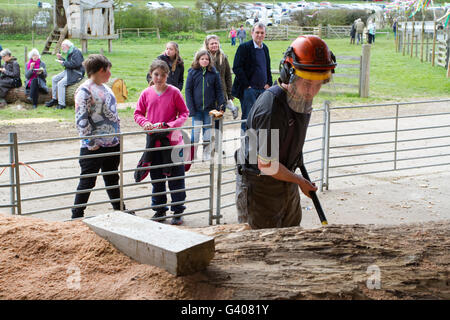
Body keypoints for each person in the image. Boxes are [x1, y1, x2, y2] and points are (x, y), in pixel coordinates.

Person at [235, 35, 336, 230]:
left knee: (292, 237)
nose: (311, 91)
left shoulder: (301, 99)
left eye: (318, 84)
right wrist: (299, 180)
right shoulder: (270, 108)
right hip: (260, 184)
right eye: (307, 83)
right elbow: (265, 164)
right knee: (261, 246)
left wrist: (296, 178)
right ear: (288, 72)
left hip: (285, 176)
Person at [72, 54, 134, 219]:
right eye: (108, 71)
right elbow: (81, 118)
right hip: (93, 146)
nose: (110, 74)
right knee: (87, 181)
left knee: (112, 177)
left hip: (112, 143)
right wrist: (90, 142)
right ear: (101, 70)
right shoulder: (84, 91)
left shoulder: (105, 88)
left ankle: (120, 208)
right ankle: (77, 215)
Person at [134, 59, 189, 225]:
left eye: (163, 75)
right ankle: (159, 210)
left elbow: (184, 113)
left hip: (172, 141)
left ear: (168, 76)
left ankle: (178, 210)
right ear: (151, 74)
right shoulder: (146, 93)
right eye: (156, 74)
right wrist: (145, 123)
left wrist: (170, 126)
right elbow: (138, 114)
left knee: (176, 177)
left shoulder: (174, 92)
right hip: (153, 142)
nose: (159, 78)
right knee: (156, 177)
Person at [232, 22, 272, 133]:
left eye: (262, 33)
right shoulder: (244, 48)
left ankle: (257, 146)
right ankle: (245, 147)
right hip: (249, 91)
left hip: (263, 90)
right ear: (252, 33)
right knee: (248, 119)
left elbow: (267, 68)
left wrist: (269, 83)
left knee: (261, 118)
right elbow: (237, 68)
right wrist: (247, 86)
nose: (259, 35)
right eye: (257, 32)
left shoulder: (265, 48)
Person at [185, 50, 225, 161]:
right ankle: (192, 154)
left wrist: (221, 104)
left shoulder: (214, 73)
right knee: (196, 133)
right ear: (197, 60)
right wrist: (191, 108)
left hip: (209, 109)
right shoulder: (192, 72)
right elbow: (188, 91)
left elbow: (218, 90)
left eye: (206, 59)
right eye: (202, 59)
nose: (204, 61)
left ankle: (206, 153)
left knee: (207, 133)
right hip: (196, 110)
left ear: (209, 60)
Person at [202, 34, 236, 118]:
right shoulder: (203, 57)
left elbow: (228, 76)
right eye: (212, 44)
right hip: (208, 92)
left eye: (216, 43)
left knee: (219, 117)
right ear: (207, 45)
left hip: (221, 91)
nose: (214, 45)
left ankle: (218, 130)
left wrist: (230, 93)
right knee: (208, 118)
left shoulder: (223, 57)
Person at [45, 39, 85, 109]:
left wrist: (63, 63)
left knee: (61, 83)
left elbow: (76, 64)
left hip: (77, 73)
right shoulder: (70, 51)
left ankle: (62, 104)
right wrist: (61, 59)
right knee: (54, 79)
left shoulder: (76, 52)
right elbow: (69, 63)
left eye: (63, 46)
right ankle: (54, 99)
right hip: (70, 70)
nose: (62, 48)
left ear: (67, 46)